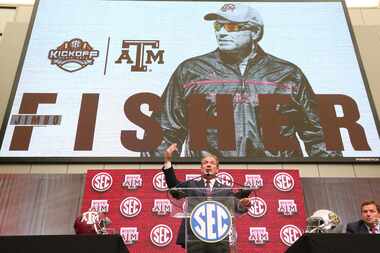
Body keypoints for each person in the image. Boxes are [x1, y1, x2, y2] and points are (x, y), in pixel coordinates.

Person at [144, 3, 340, 159]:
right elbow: (164, 133)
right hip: (209, 180)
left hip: (277, 182)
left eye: (231, 26)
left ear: (254, 32)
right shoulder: (190, 71)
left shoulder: (288, 74)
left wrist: (332, 178)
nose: (221, 32)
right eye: (218, 25)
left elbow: (319, 136)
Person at [162, 143, 251, 252]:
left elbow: (236, 206)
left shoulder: (225, 189)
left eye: (212, 163)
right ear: (201, 168)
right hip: (195, 238)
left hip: (219, 239)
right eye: (205, 163)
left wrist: (242, 203)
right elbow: (174, 188)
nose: (208, 165)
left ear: (217, 169)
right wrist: (167, 160)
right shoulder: (191, 185)